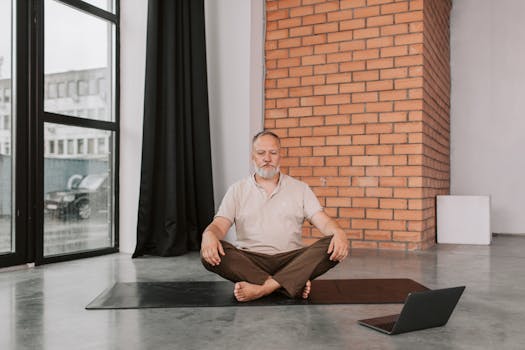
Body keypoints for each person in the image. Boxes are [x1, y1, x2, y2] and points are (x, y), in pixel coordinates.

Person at [201, 131, 349, 302]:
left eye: (273, 153)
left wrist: (339, 232)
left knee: (332, 245)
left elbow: (323, 221)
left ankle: (264, 288)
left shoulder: (300, 188)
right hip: (250, 260)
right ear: (253, 157)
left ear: (280, 156)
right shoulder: (237, 189)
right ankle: (289, 284)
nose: (267, 158)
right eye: (261, 153)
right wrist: (208, 235)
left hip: (291, 259)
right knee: (209, 253)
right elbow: (219, 225)